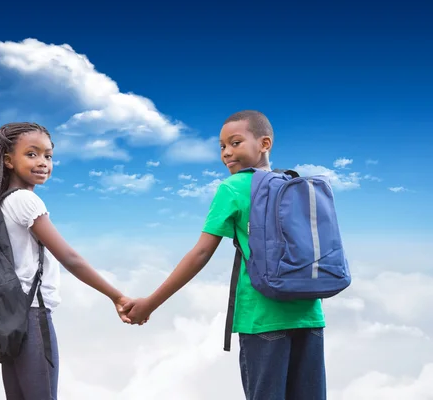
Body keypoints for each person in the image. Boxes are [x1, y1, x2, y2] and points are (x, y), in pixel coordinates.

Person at [123, 111, 327, 399]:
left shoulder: (232, 188)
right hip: (309, 315)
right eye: (222, 146)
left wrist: (150, 304)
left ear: (264, 143)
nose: (227, 153)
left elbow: (201, 253)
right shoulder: (295, 186)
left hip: (262, 317)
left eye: (235, 143)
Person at [0, 122, 135, 400]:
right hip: (32, 314)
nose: (43, 162)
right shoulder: (26, 201)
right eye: (32, 154)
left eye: (48, 156)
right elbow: (70, 258)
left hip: (8, 317)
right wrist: (117, 296)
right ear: (8, 161)